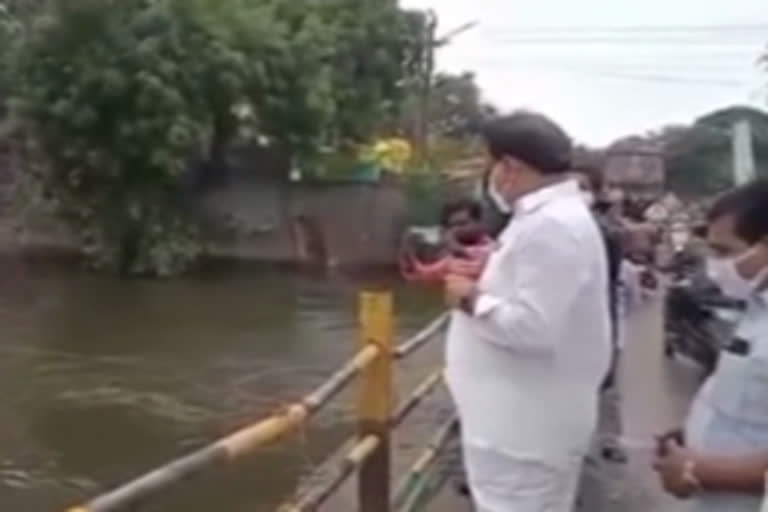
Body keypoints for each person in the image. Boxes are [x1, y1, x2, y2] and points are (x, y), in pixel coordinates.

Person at [443, 112, 612, 512]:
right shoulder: (546, 220)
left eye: (488, 164)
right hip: (519, 425)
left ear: (510, 167)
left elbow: (532, 328)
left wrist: (469, 297)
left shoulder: (551, 228)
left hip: (522, 436)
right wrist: (490, 276)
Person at [653, 178, 768, 511]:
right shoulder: (756, 307)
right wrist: (692, 430)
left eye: (724, 252)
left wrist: (697, 469)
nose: (715, 265)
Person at [573, 166, 628, 464]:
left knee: (602, 383)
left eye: (580, 186)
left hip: (599, 319)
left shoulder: (603, 231)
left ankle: (606, 441)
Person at [399, 199, 493, 283]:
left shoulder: (491, 250)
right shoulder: (448, 250)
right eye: (452, 226)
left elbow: (477, 260)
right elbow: (414, 275)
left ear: (479, 223)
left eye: (462, 223)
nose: (456, 230)